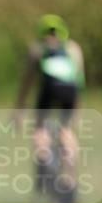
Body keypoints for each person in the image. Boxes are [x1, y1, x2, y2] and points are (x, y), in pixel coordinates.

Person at [14, 13, 85, 168]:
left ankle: (44, 159)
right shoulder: (73, 48)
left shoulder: (38, 49)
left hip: (49, 88)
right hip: (70, 91)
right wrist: (77, 111)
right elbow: (79, 81)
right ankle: (69, 176)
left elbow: (27, 82)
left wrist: (20, 108)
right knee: (66, 131)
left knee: (40, 128)